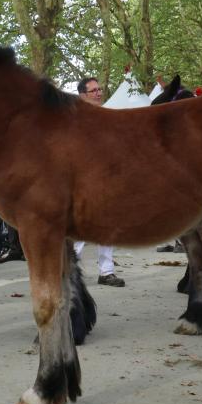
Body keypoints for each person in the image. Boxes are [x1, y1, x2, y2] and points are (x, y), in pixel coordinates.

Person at [73, 77, 126, 287]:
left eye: (99, 89)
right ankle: (72, 271)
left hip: (105, 180)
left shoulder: (108, 116)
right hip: (82, 180)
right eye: (93, 90)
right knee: (79, 228)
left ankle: (107, 272)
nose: (98, 93)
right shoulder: (75, 119)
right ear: (83, 95)